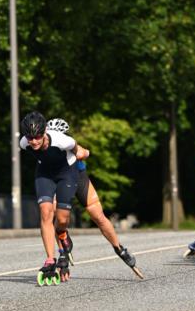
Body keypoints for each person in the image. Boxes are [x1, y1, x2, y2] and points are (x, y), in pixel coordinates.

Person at [46, 119, 143, 278]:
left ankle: (119, 248)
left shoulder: (68, 143)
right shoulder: (45, 148)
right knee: (57, 215)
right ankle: (63, 251)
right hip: (60, 182)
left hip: (79, 179)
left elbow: (84, 151)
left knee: (98, 216)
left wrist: (84, 152)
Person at [19, 111, 90, 284]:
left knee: (62, 219)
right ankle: (50, 258)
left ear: (44, 133)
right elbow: (35, 150)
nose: (33, 141)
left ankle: (63, 236)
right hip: (45, 174)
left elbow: (80, 151)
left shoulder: (61, 140)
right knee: (45, 212)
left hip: (66, 174)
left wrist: (84, 153)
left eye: (37, 137)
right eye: (30, 137)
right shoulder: (23, 143)